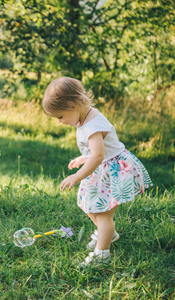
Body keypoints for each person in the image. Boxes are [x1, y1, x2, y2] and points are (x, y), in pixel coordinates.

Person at [42, 77, 152, 267]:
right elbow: (97, 151)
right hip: (104, 168)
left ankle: (102, 254)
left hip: (114, 172)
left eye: (60, 116)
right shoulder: (85, 117)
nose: (59, 121)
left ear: (73, 104)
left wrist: (77, 176)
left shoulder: (93, 125)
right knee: (91, 208)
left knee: (103, 216)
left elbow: (99, 155)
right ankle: (108, 235)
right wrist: (84, 157)